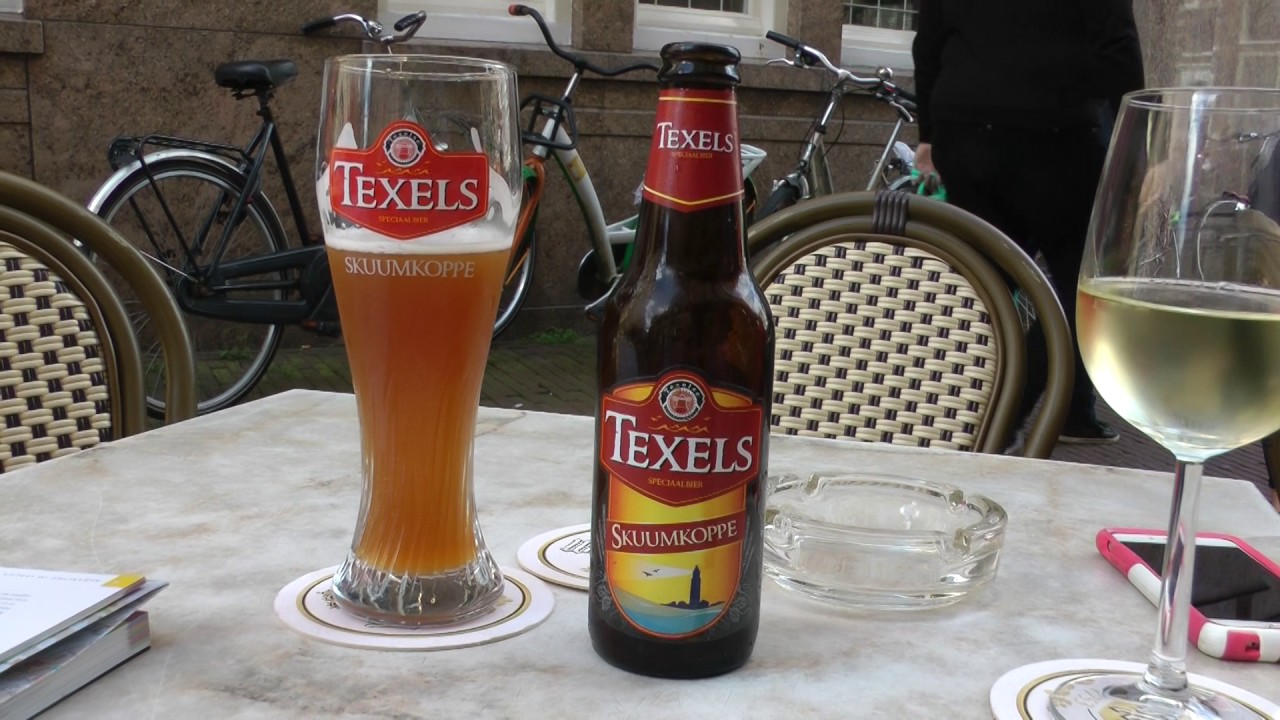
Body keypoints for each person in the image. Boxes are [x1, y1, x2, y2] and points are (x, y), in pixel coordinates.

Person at [911, 0, 1145, 444]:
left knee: (986, 284)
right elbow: (1116, 45)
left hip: (964, 124)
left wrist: (927, 134)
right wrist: (1140, 141)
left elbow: (929, 42)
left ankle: (970, 411)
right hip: (1055, 127)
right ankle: (1016, 415)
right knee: (1084, 288)